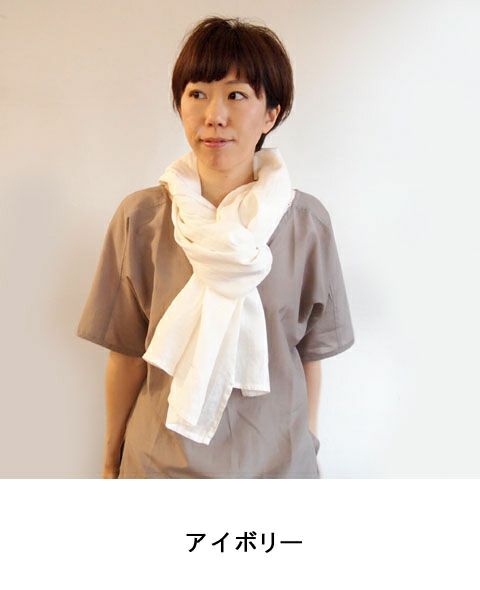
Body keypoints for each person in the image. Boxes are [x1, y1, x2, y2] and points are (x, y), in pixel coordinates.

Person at [76, 16, 355, 479]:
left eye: (236, 95)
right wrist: (110, 462)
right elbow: (125, 356)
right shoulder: (141, 219)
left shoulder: (306, 223)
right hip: (159, 467)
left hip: (279, 468)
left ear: (271, 114)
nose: (214, 116)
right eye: (197, 94)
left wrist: (308, 445)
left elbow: (308, 356)